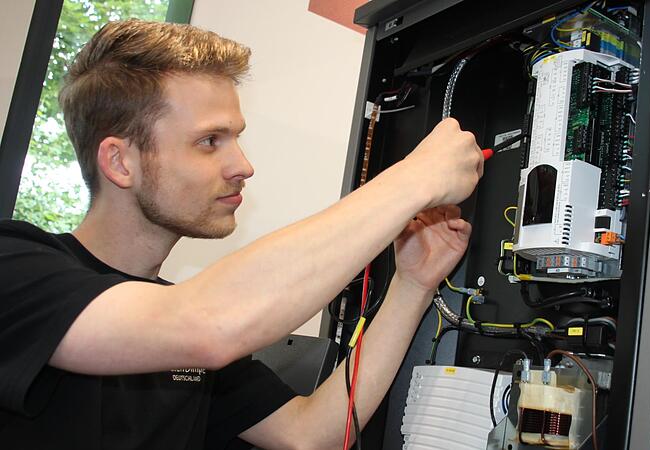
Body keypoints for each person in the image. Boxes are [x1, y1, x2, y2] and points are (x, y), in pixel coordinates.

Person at [0, 19, 482, 450]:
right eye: (210, 141)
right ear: (120, 162)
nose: (243, 166)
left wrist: (411, 286)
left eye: (236, 138)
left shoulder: (189, 331)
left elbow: (310, 434)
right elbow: (207, 324)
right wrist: (413, 179)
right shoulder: (15, 268)